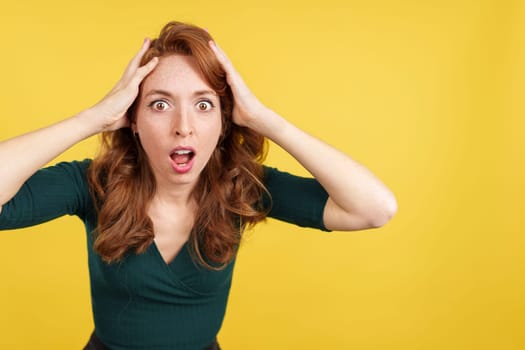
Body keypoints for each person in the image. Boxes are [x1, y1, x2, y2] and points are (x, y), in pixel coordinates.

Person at [0, 21, 397, 350]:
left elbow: (374, 208)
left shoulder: (243, 188)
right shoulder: (93, 184)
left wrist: (264, 119)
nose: (183, 125)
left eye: (204, 104)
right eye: (160, 103)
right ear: (132, 120)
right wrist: (93, 118)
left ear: (225, 121)